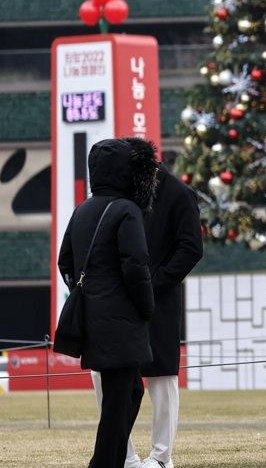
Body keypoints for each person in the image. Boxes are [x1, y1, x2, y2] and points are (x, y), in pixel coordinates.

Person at [91, 161, 204, 468]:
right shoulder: (122, 193)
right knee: (105, 373)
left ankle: (161, 456)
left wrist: (155, 282)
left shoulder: (179, 193)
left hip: (158, 298)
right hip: (119, 298)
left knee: (162, 377)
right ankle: (124, 454)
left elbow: (192, 248)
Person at [57, 138, 158, 468]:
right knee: (119, 400)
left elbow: (65, 262)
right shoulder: (126, 210)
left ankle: (110, 461)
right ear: (123, 171)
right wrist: (146, 307)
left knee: (130, 393)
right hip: (122, 318)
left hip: (94, 317)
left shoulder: (82, 210)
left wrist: (90, 292)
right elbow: (135, 265)